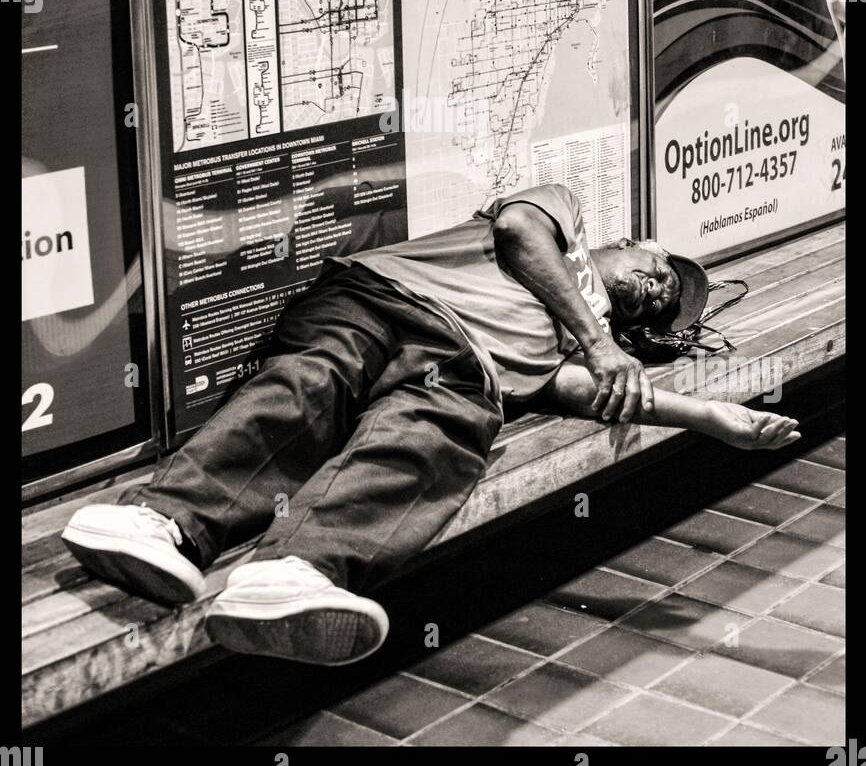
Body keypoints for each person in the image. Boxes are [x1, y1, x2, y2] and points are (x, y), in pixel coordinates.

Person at [63, 182, 799, 666]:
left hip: (462, 371)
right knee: (311, 382)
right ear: (636, 240)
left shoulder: (579, 347)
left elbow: (580, 391)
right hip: (384, 298)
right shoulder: (563, 219)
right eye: (662, 272)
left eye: (659, 306)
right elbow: (516, 228)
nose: (656, 291)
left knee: (437, 436)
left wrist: (708, 417)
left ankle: (295, 570)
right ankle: (161, 520)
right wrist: (599, 339)